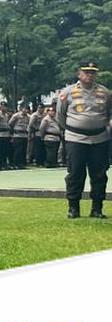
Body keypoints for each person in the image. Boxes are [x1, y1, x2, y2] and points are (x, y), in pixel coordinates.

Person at [55, 63, 112, 219]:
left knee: (99, 174)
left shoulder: (105, 92)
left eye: (93, 73)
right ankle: (73, 208)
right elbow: (60, 115)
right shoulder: (67, 93)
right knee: (75, 173)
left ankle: (97, 208)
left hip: (99, 138)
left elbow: (108, 113)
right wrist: (72, 128)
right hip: (76, 138)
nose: (90, 75)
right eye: (86, 72)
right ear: (78, 74)